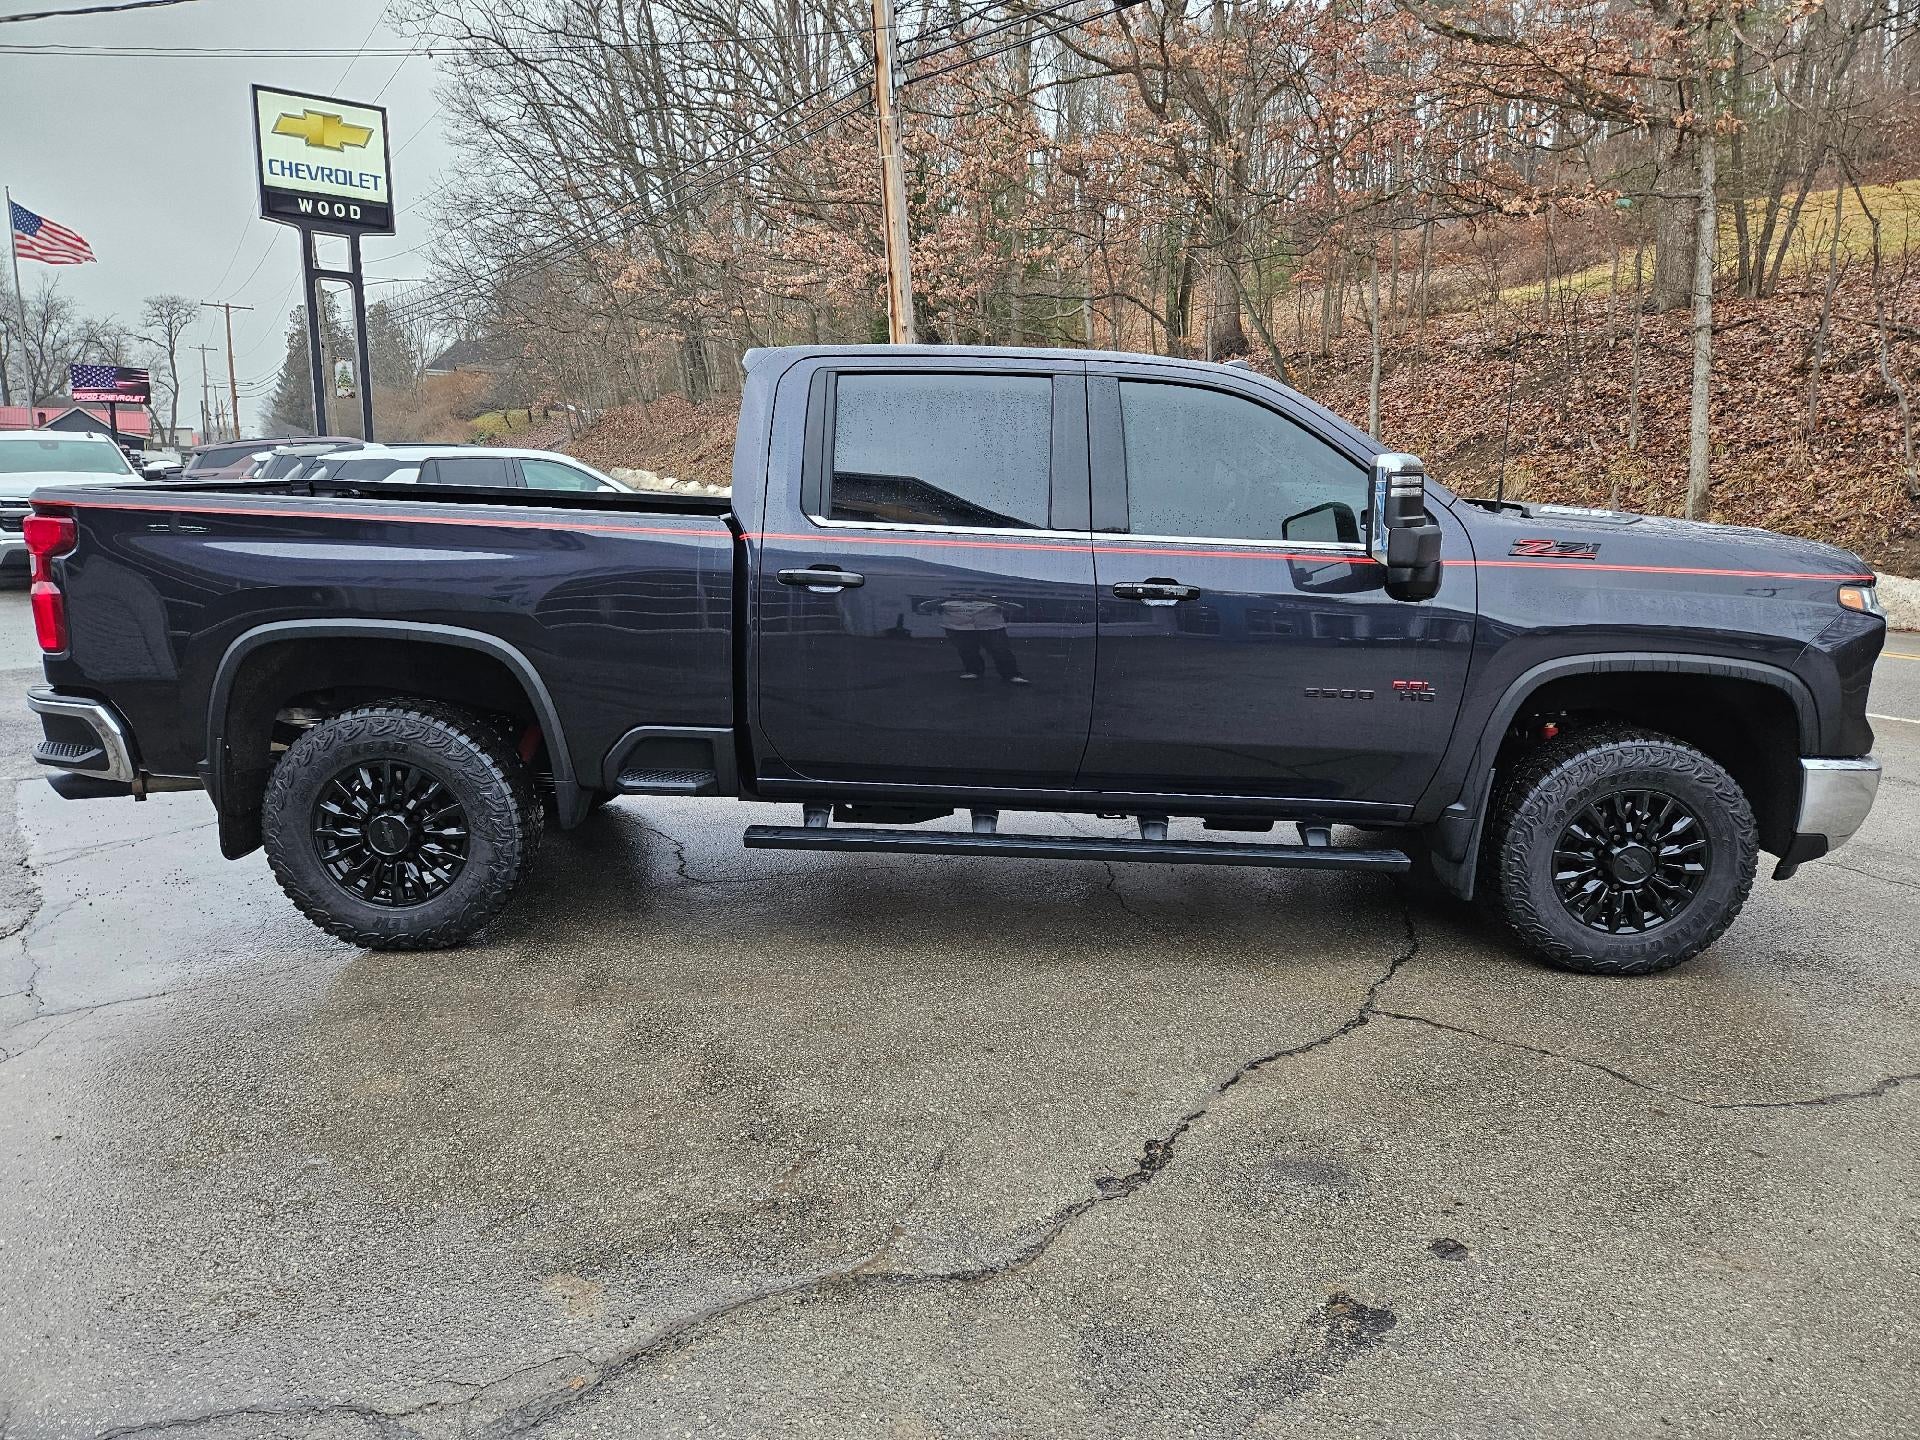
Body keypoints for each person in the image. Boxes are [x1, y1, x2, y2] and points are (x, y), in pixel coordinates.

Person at [917, 592, 1029, 683]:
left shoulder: (992, 603)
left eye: (972, 594)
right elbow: (924, 607)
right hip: (960, 630)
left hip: (991, 629)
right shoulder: (947, 603)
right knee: (967, 651)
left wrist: (987, 600)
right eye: (962, 594)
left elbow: (1018, 608)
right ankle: (973, 671)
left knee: (1000, 651)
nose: (967, 596)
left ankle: (1011, 675)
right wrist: (945, 598)